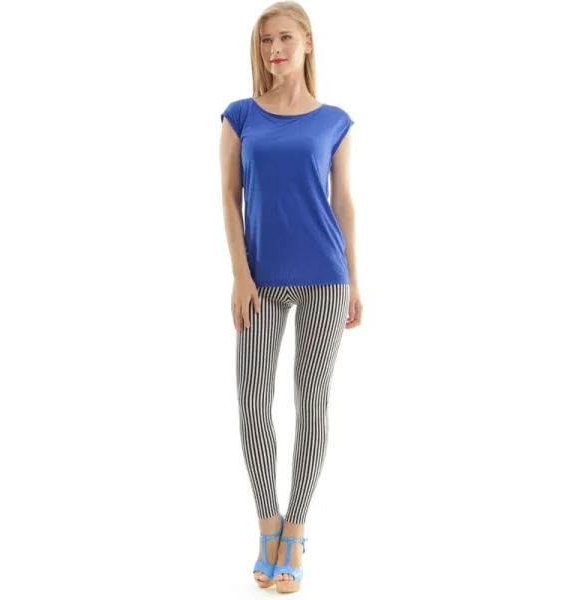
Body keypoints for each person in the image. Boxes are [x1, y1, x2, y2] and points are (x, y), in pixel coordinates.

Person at [219, 1, 362, 593]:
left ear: (307, 42)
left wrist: (355, 279)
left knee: (312, 404)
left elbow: (342, 202)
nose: (273, 49)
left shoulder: (335, 121)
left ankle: (295, 530)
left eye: (283, 38)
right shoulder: (240, 116)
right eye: (264, 41)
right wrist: (240, 273)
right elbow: (229, 198)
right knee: (254, 406)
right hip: (261, 281)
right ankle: (267, 525)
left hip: (326, 276)